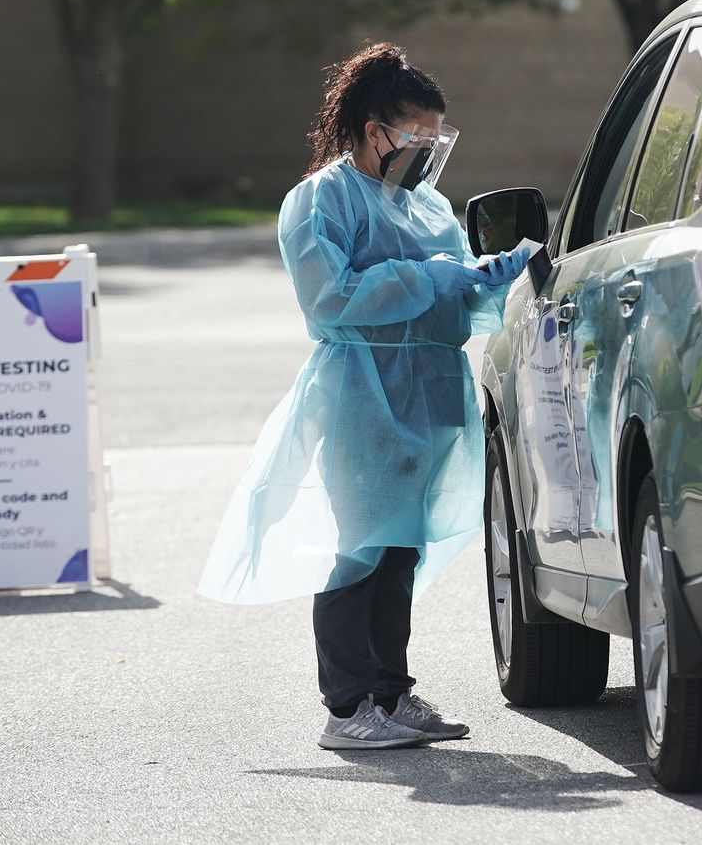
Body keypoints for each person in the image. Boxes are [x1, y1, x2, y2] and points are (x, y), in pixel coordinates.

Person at [198, 42, 528, 750]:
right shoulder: (321, 199)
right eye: (415, 135)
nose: (425, 150)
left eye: (434, 137)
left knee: (399, 547)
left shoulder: (428, 205)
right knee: (360, 549)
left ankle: (389, 689)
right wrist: (425, 278)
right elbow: (330, 298)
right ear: (374, 128)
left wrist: (486, 280)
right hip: (363, 392)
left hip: (428, 394)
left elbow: (453, 299)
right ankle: (347, 707)